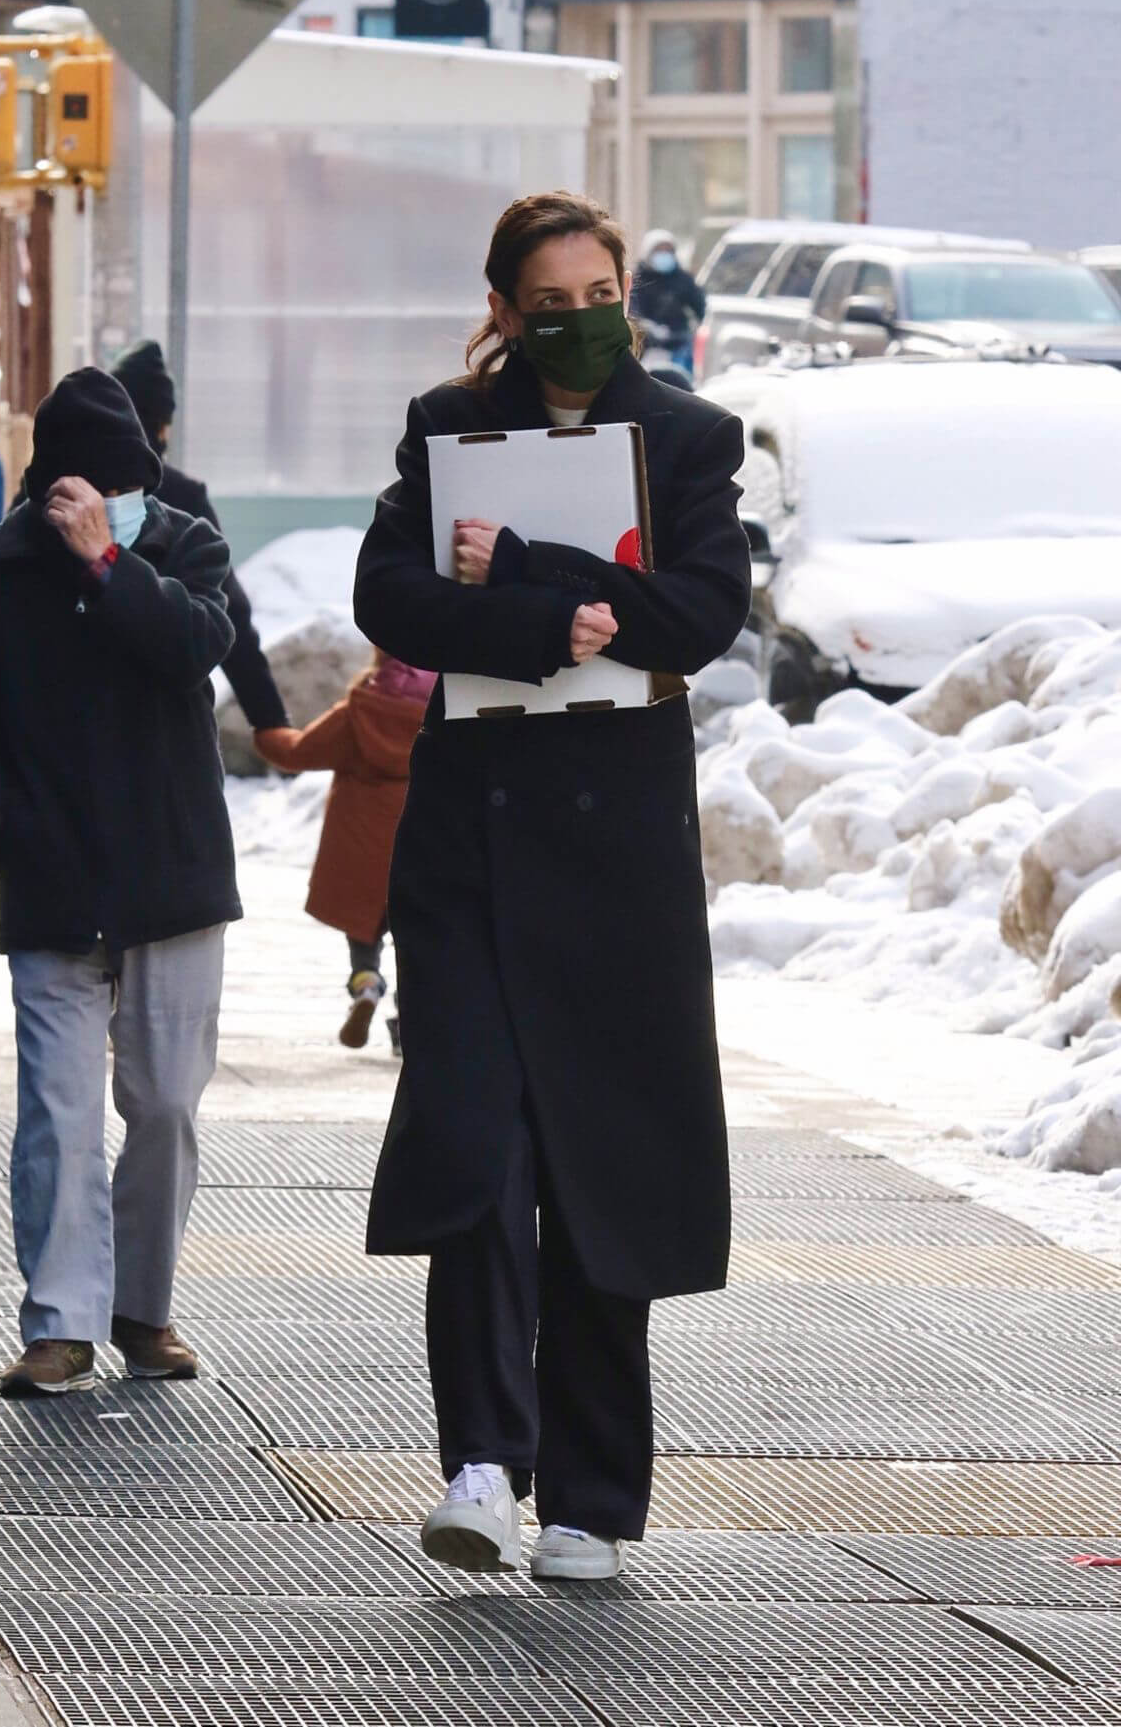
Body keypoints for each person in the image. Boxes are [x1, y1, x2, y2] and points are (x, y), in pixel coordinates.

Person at [352, 192, 751, 1581]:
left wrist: (532, 572)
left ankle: (589, 1495)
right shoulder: (447, 428)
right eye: (554, 292)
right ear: (509, 309)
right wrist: (549, 618)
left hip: (620, 868)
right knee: (479, 1150)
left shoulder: (691, 438)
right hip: (468, 852)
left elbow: (698, 613)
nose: (582, 311)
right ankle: (479, 1460)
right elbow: (391, 599)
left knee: (600, 1169)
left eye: (604, 285)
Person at [0, 367, 241, 1398]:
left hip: (174, 874)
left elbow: (200, 642)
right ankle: (59, 1322)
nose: (106, 506)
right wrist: (7, 832)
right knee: (57, 1110)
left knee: (166, 1108)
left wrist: (111, 564)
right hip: (51, 881)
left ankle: (144, 1308)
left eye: (121, 491)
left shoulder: (179, 543)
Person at [254, 650, 435, 1053]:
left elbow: (296, 752)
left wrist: (264, 727)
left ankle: (366, 985)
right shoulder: (442, 707)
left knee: (364, 937)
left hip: (360, 850)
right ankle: (410, 1022)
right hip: (420, 847)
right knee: (415, 944)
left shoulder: (361, 709)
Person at [110, 339, 288, 736]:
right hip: (165, 729)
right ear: (159, 425)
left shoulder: (52, 496)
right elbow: (230, 613)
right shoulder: (183, 497)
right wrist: (269, 721)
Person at [629, 228, 706, 380]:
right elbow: (632, 309)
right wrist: (648, 327)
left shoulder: (681, 278)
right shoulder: (638, 279)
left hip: (679, 341)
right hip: (647, 344)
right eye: (659, 250)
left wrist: (700, 327)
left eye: (668, 251)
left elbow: (701, 306)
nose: (664, 255)